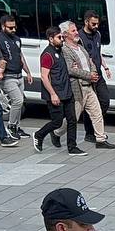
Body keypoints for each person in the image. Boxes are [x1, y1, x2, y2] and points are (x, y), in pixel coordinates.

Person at [55, 21, 114, 150]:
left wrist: (93, 72)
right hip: (78, 88)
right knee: (73, 117)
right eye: (73, 31)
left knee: (97, 113)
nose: (77, 32)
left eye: (76, 30)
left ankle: (100, 139)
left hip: (89, 86)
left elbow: (90, 61)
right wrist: (88, 75)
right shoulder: (65, 50)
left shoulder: (80, 46)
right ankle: (56, 133)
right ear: (65, 34)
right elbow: (71, 69)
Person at [34, 27, 86, 157]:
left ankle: (72, 147)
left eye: (62, 37)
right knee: (57, 121)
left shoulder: (61, 51)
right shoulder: (47, 55)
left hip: (67, 92)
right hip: (55, 93)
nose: (62, 39)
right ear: (51, 39)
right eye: (59, 38)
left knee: (72, 119)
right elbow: (44, 76)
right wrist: (52, 94)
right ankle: (39, 135)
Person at [79, 10, 113, 144]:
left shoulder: (97, 34)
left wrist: (106, 67)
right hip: (87, 76)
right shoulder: (80, 37)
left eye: (97, 23)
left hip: (98, 73)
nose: (96, 26)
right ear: (86, 22)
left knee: (104, 101)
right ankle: (90, 132)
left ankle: (95, 128)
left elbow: (98, 53)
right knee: (89, 105)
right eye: (93, 24)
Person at [0, 14, 32, 139]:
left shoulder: (17, 39)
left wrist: (27, 72)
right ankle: (11, 126)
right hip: (8, 76)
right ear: (3, 27)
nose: (13, 30)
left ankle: (17, 127)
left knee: (20, 102)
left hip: (18, 75)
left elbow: (20, 56)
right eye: (10, 28)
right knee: (18, 100)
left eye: (14, 27)